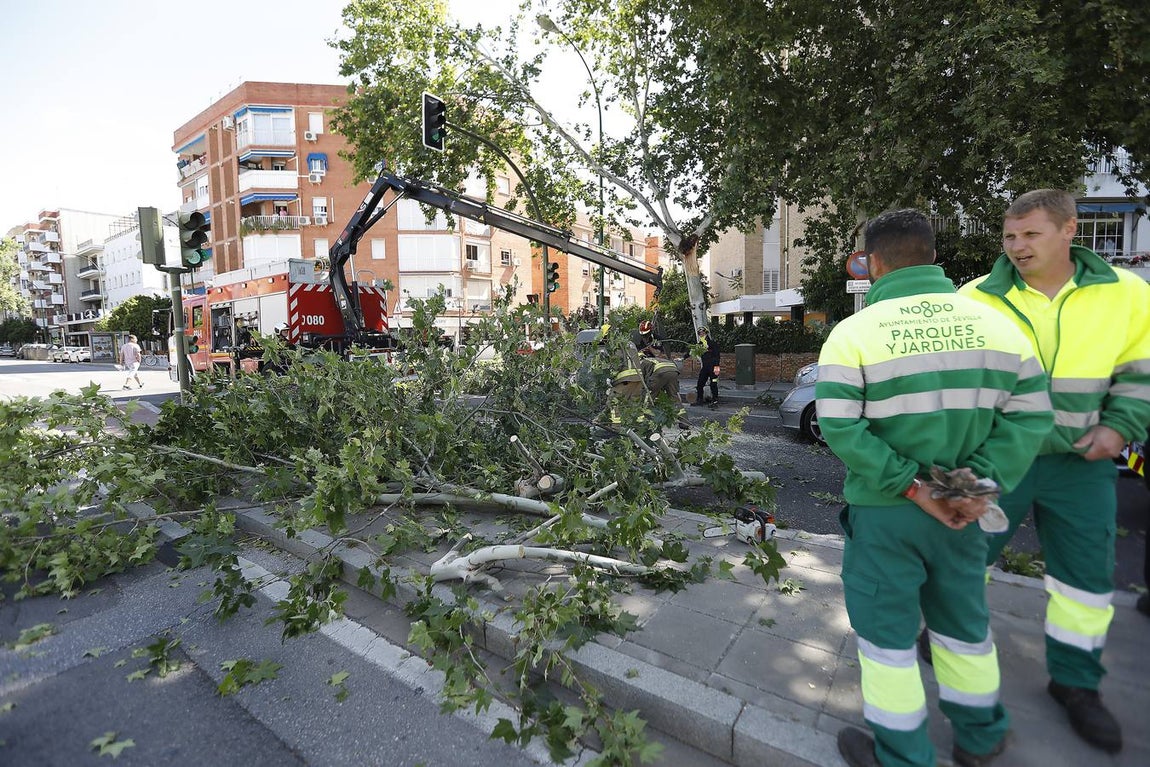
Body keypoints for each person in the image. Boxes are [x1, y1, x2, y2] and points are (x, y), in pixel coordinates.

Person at [816, 209, 1053, 767]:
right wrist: (975, 485)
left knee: (888, 640)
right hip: (963, 511)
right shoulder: (1000, 327)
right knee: (963, 627)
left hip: (887, 514)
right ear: (930, 254)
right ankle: (981, 735)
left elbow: (840, 424)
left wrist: (914, 488)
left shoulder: (854, 334)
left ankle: (904, 754)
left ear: (874, 264)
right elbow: (1032, 416)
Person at [958, 189, 1150, 754]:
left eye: (1031, 234)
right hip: (997, 461)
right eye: (1010, 236)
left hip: (1081, 464)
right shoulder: (975, 298)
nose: (1017, 246)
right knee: (966, 558)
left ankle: (1076, 684)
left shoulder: (1127, 294)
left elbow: (1141, 372)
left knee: (1085, 582)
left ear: (1070, 230)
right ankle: (945, 634)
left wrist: (1120, 428)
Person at [693, 326, 720, 406]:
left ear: (706, 333)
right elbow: (692, 351)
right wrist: (683, 358)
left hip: (714, 367)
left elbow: (717, 356)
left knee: (713, 384)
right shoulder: (700, 344)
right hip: (705, 367)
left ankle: (715, 401)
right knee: (700, 384)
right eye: (699, 333)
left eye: (702, 332)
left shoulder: (712, 343)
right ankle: (700, 400)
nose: (700, 334)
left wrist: (716, 368)